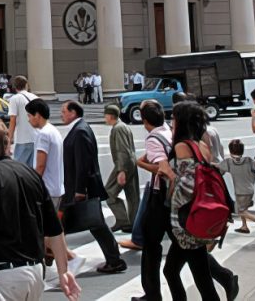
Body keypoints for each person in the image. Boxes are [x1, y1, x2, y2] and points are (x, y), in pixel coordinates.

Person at [0, 117, 80, 301]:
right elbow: (55, 230)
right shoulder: (30, 174)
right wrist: (63, 272)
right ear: (7, 141)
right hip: (36, 272)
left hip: (2, 275)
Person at [162, 102, 225, 301]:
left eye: (173, 117)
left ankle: (228, 280)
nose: (171, 122)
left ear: (181, 121)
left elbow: (187, 186)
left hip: (186, 220)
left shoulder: (182, 147)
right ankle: (228, 281)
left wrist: (169, 174)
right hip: (200, 216)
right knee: (189, 273)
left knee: (186, 274)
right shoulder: (202, 146)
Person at [59, 101, 126, 274]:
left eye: (64, 111)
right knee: (95, 224)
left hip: (82, 188)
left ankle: (65, 260)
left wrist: (80, 190)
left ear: (73, 112)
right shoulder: (79, 129)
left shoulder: (80, 131)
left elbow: (83, 164)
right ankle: (113, 259)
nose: (61, 114)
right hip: (78, 187)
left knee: (91, 224)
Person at [129, 100, 173, 301]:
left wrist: (141, 164)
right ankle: (223, 276)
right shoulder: (168, 130)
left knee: (151, 244)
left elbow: (162, 167)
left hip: (161, 195)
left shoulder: (153, 137)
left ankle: (152, 293)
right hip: (173, 196)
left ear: (145, 120)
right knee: (187, 246)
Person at [217, 139, 255, 236]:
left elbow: (218, 166)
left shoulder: (229, 162)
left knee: (240, 211)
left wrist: (210, 163)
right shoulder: (248, 160)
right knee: (243, 208)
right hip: (250, 190)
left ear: (230, 152)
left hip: (240, 191)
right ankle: (244, 226)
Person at [103, 104, 138, 233]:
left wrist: (121, 170)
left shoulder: (118, 128)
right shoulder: (123, 126)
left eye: (105, 114)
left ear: (110, 115)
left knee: (109, 193)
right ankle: (133, 223)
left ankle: (123, 220)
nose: (104, 117)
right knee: (132, 195)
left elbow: (122, 150)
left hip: (124, 165)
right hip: (130, 163)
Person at [6, 76, 38, 169]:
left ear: (14, 87)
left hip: (22, 139)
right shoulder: (35, 97)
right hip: (36, 138)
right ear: (26, 85)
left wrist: (9, 140)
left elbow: (13, 121)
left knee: (19, 170)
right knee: (32, 170)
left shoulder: (15, 99)